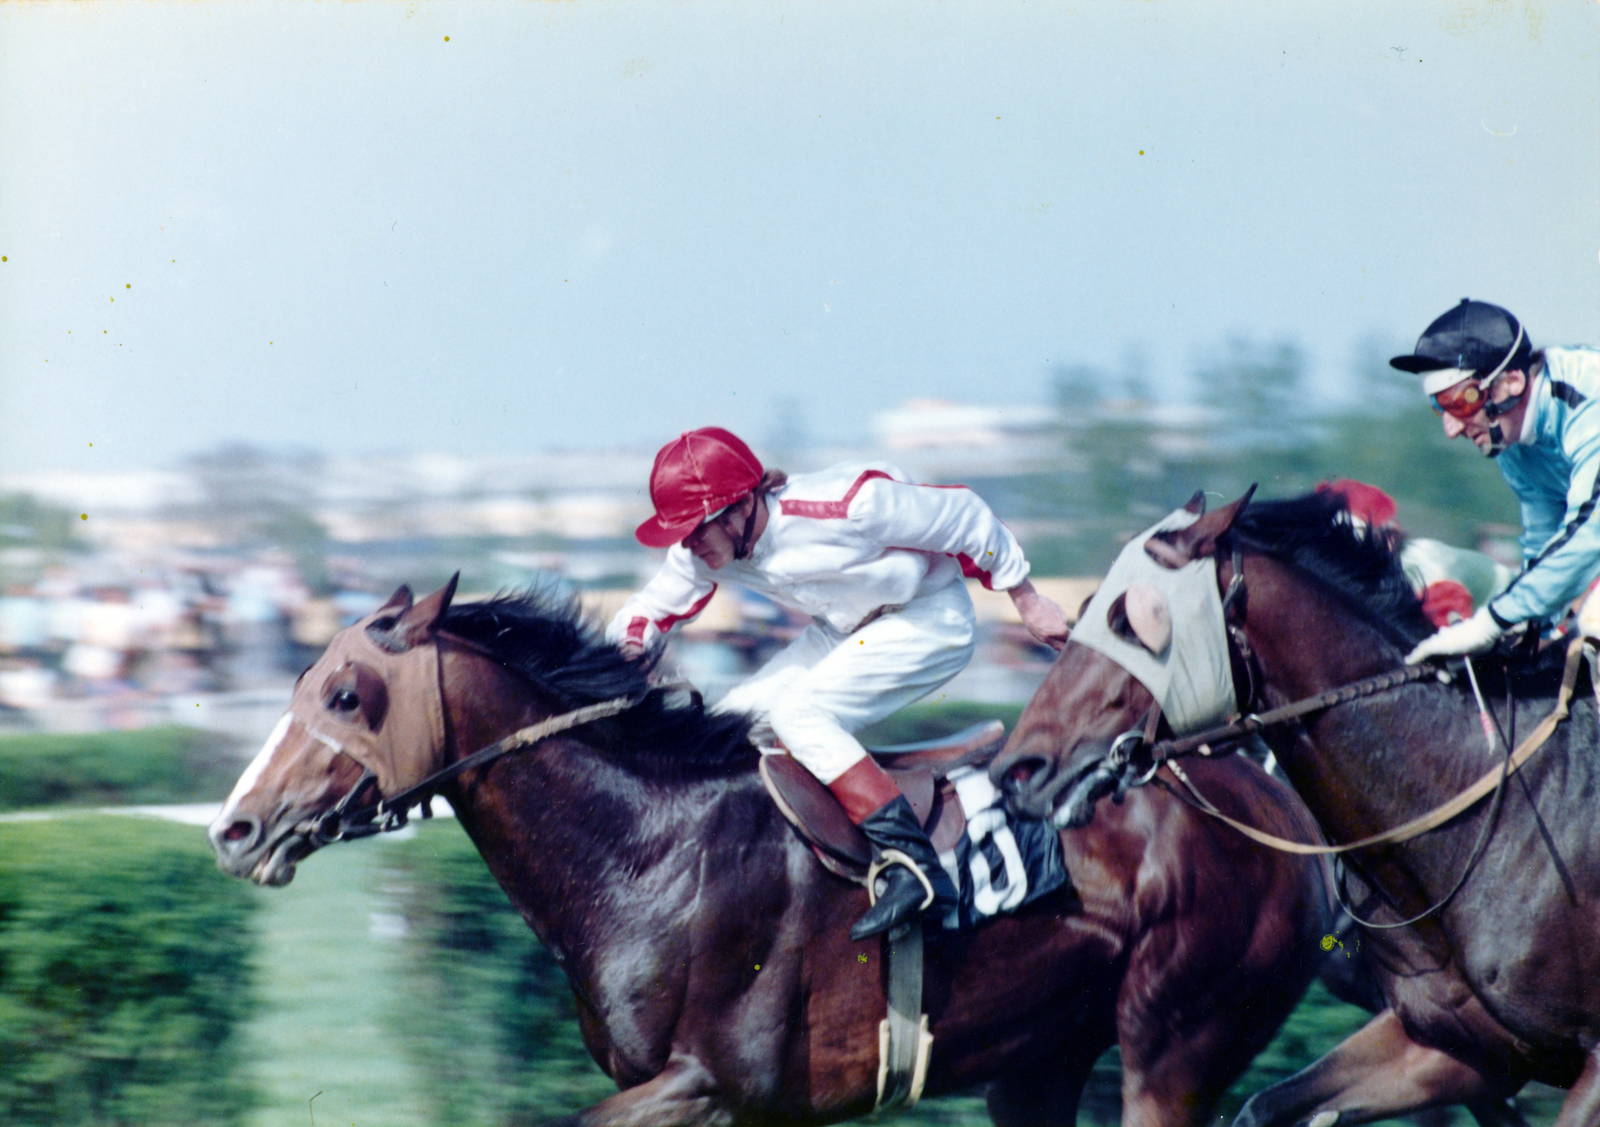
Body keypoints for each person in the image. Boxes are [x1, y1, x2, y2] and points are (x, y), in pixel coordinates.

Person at [607, 427, 1070, 940]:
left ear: (740, 508)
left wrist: (1028, 601)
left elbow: (969, 517)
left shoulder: (851, 505)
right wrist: (625, 654)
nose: (688, 544)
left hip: (928, 619)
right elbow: (646, 610)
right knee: (729, 727)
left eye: (696, 529)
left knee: (799, 716)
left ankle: (913, 867)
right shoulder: (709, 547)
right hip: (844, 631)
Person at [1393, 299, 1600, 663]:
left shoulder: (1590, 398)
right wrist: (1531, 627)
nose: (1451, 428)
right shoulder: (1514, 442)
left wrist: (1492, 620)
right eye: (1439, 406)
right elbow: (1542, 540)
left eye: (1458, 402)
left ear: (1511, 382)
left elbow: (1588, 535)